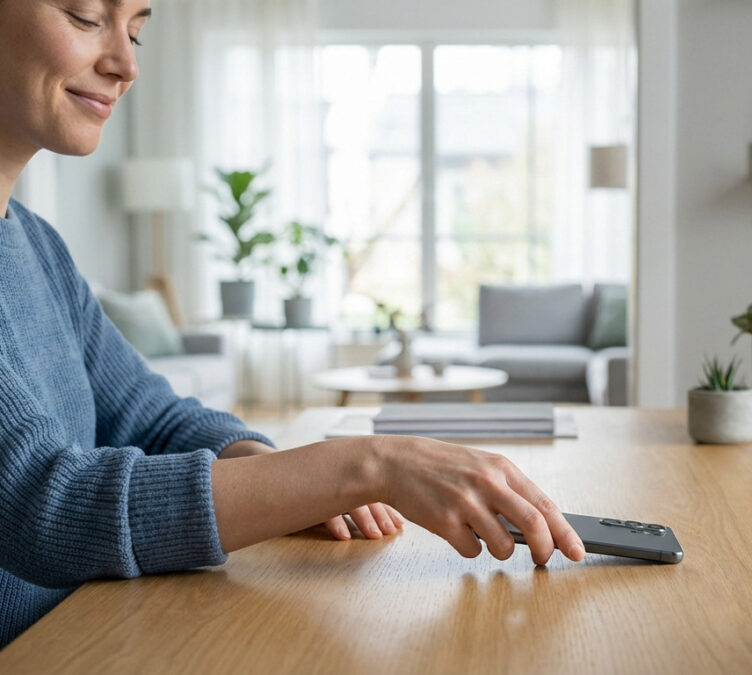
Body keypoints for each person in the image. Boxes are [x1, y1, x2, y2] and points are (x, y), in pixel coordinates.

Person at [0, 0, 584, 648]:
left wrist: (290, 486)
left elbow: (154, 420)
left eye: (136, 29)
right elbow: (42, 508)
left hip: (87, 635)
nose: (126, 63)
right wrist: (364, 465)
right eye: (85, 17)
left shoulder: (36, 245)